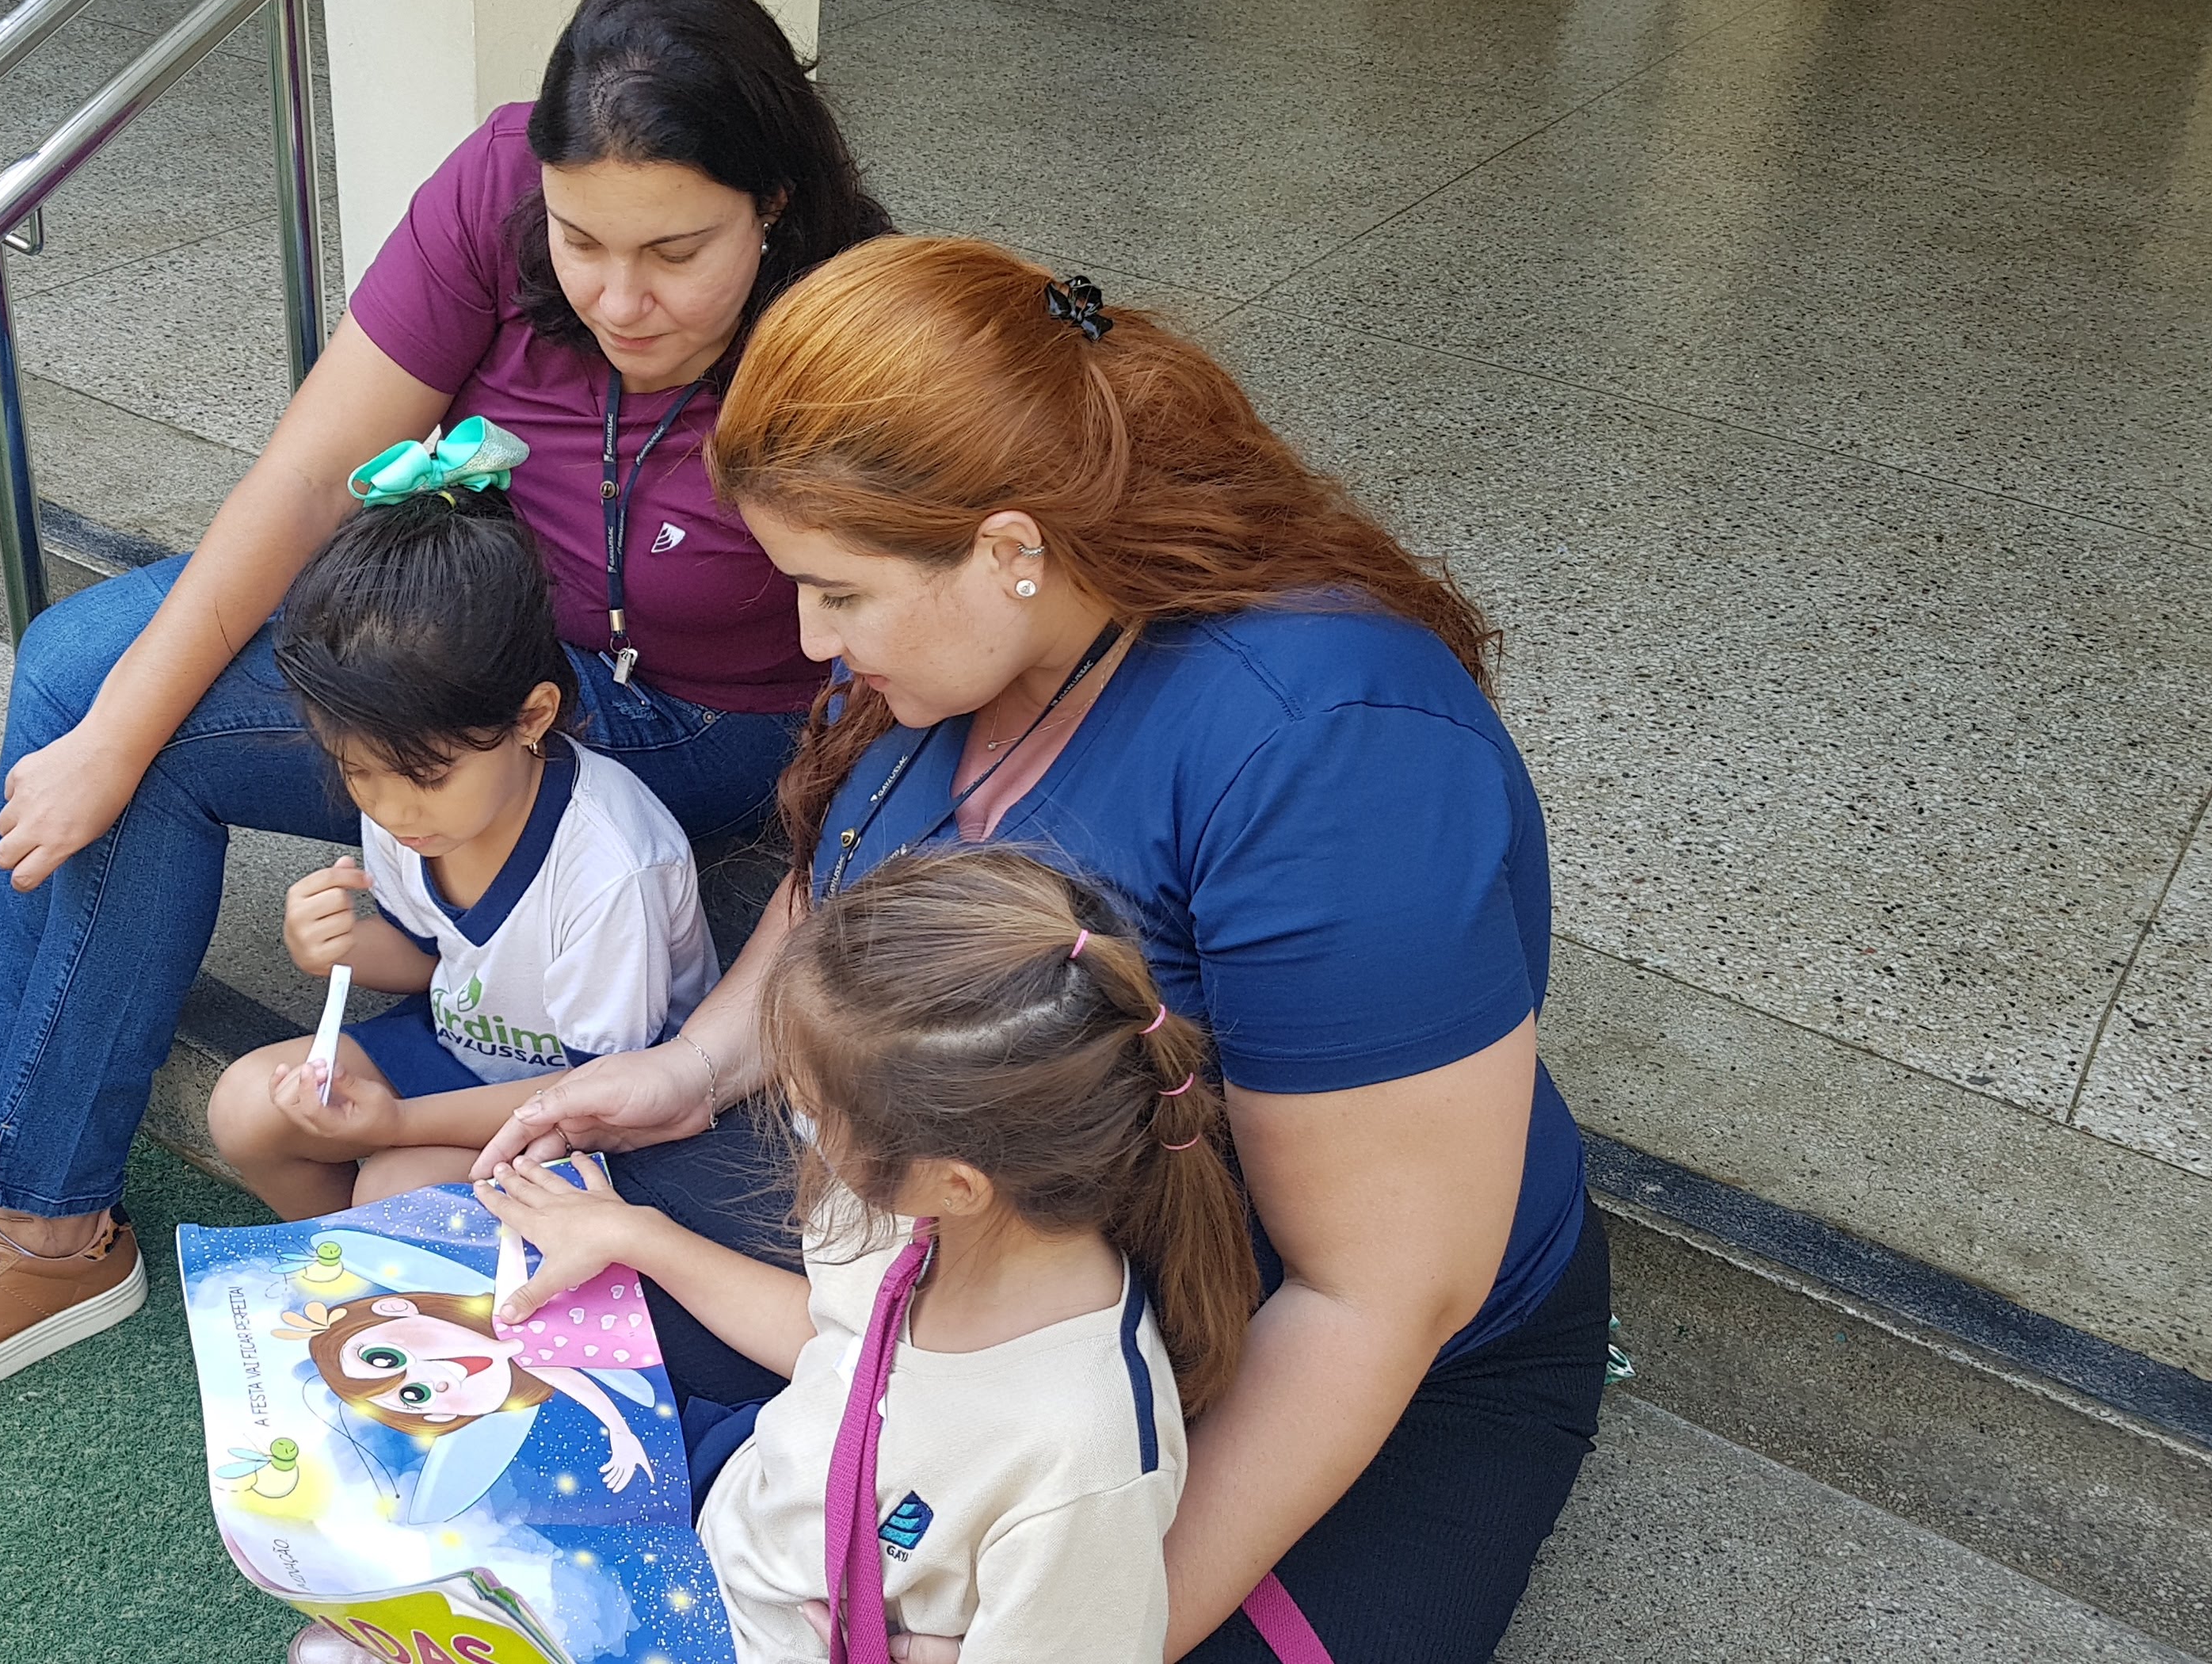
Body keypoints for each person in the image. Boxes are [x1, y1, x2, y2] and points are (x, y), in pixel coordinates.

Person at [0, 0, 891, 1417]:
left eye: (675, 251)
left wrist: (136, 744)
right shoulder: (495, 184)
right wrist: (106, 735)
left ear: (773, 204)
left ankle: (48, 1221)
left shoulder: (855, 324)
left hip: (693, 726)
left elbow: (889, 660)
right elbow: (307, 476)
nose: (619, 296)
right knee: (82, 676)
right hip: (483, 636)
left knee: (156, 743)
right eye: (581, 240)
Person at [478, 236, 1608, 1662]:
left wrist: (1087, 1631)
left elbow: (1374, 1296)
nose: (813, 641)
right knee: (528, 1304)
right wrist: (698, 1065)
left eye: (838, 591)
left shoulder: (1336, 756)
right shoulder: (969, 643)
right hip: (986, 1235)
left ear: (1011, 550)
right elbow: (845, 875)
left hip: (1347, 1345)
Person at [474, 849, 1254, 1664]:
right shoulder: (906, 1213)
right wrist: (636, 1235)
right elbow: (844, 1351)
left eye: (812, 1111)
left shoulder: (1081, 1462)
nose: (797, 1122)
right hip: (733, 1511)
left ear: (955, 1182)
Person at [204, 458, 717, 1219]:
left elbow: (598, 1096)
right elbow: (430, 955)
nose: (390, 808)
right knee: (248, 1106)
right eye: (356, 771)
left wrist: (399, 1125)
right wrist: (333, 949)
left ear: (532, 717)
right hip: (462, 1050)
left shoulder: (611, 867)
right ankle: (345, 1262)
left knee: (396, 1188)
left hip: (603, 1116)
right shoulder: (410, 805)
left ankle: (391, 1263)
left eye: (426, 775)